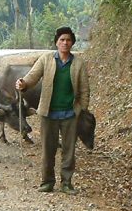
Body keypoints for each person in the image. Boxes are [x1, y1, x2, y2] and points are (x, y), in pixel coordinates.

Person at [15, 26, 90, 194]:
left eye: (68, 40)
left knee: (69, 151)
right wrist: (23, 83)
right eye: (62, 40)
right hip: (48, 112)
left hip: (70, 113)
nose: (65, 43)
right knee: (48, 150)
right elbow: (32, 77)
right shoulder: (46, 59)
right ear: (56, 42)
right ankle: (47, 182)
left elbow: (85, 90)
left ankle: (66, 183)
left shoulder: (78, 63)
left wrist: (82, 110)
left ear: (72, 43)